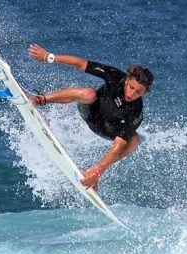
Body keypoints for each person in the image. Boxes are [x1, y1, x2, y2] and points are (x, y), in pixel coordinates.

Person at [28, 44, 153, 191]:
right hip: (90, 111)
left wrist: (97, 172)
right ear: (127, 80)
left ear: (144, 94)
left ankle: (91, 171)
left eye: (138, 92)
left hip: (107, 129)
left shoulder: (136, 111)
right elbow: (81, 64)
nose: (132, 94)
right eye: (131, 87)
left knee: (135, 140)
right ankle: (40, 100)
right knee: (88, 93)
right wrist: (48, 56)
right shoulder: (115, 77)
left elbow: (117, 146)